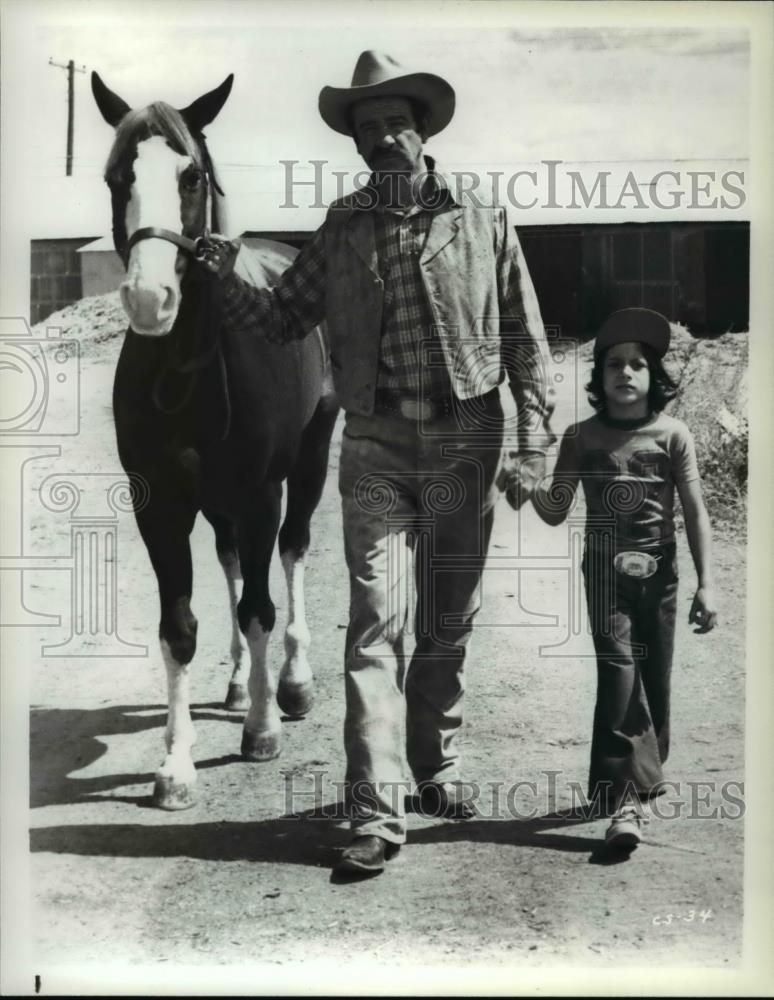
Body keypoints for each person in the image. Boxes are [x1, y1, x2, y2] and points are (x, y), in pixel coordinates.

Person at [203, 51, 554, 875]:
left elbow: (524, 336)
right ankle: (377, 813)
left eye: (394, 120)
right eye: (367, 127)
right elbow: (284, 318)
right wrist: (226, 279)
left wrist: (535, 442)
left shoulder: (480, 213)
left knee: (447, 616)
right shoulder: (342, 226)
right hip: (376, 444)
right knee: (375, 625)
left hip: (468, 439)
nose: (382, 137)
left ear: (422, 128)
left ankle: (435, 764)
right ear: (357, 144)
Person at [529, 308, 717, 848]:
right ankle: (625, 804)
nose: (626, 373)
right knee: (620, 672)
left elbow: (696, 511)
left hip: (661, 572)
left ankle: (622, 778)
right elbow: (554, 509)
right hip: (605, 570)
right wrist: (527, 481)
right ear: (599, 377)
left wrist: (708, 583)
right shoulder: (581, 436)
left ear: (653, 378)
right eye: (614, 364)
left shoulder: (673, 434)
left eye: (638, 365)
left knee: (653, 680)